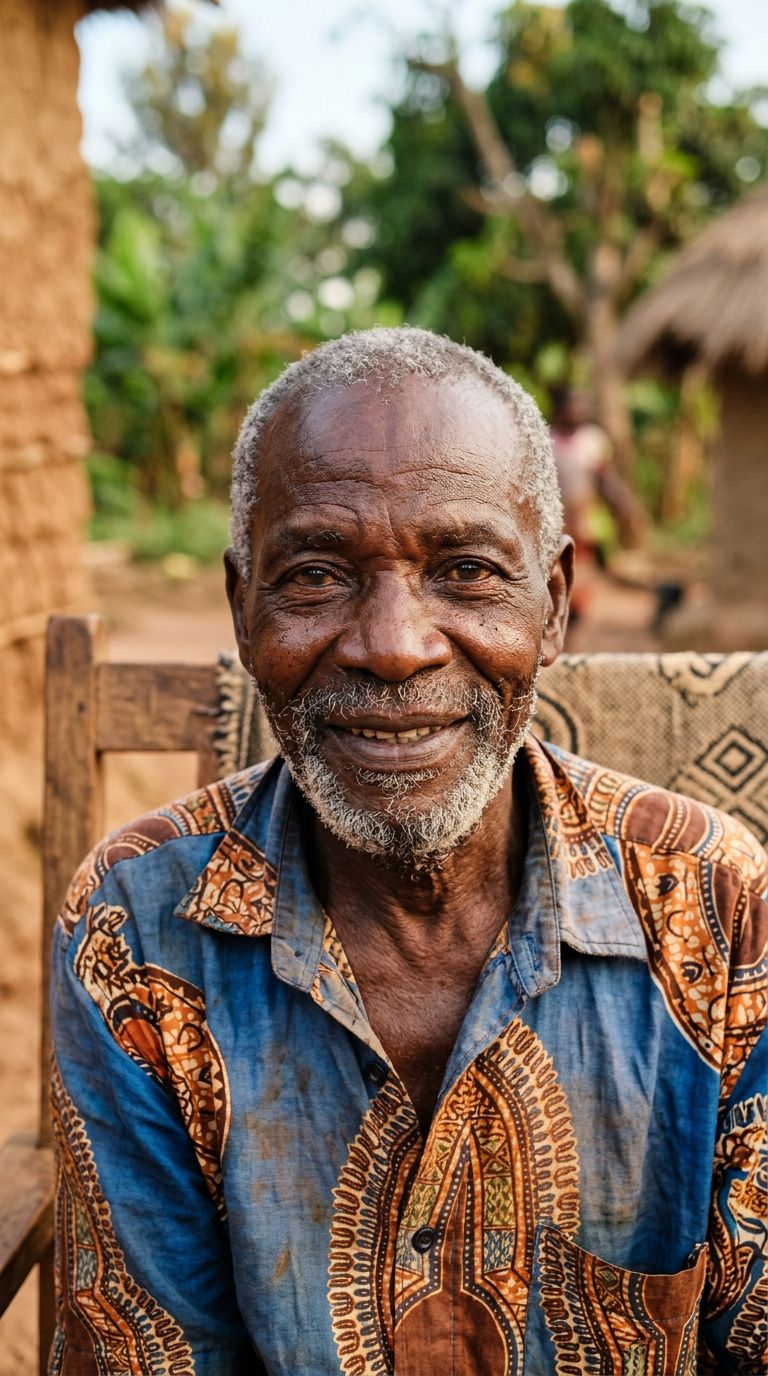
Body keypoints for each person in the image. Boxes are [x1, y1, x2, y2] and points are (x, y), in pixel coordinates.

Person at [50, 327, 766, 1375]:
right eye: (316, 575)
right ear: (242, 609)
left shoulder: (716, 900)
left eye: (466, 570)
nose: (393, 643)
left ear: (558, 602)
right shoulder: (138, 928)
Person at [549, 387, 644, 626]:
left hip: (583, 519)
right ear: (561, 409)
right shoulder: (546, 440)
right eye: (575, 405)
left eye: (583, 406)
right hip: (553, 520)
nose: (581, 411)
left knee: (580, 572)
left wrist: (624, 506)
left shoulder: (592, 441)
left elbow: (605, 479)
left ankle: (573, 621)